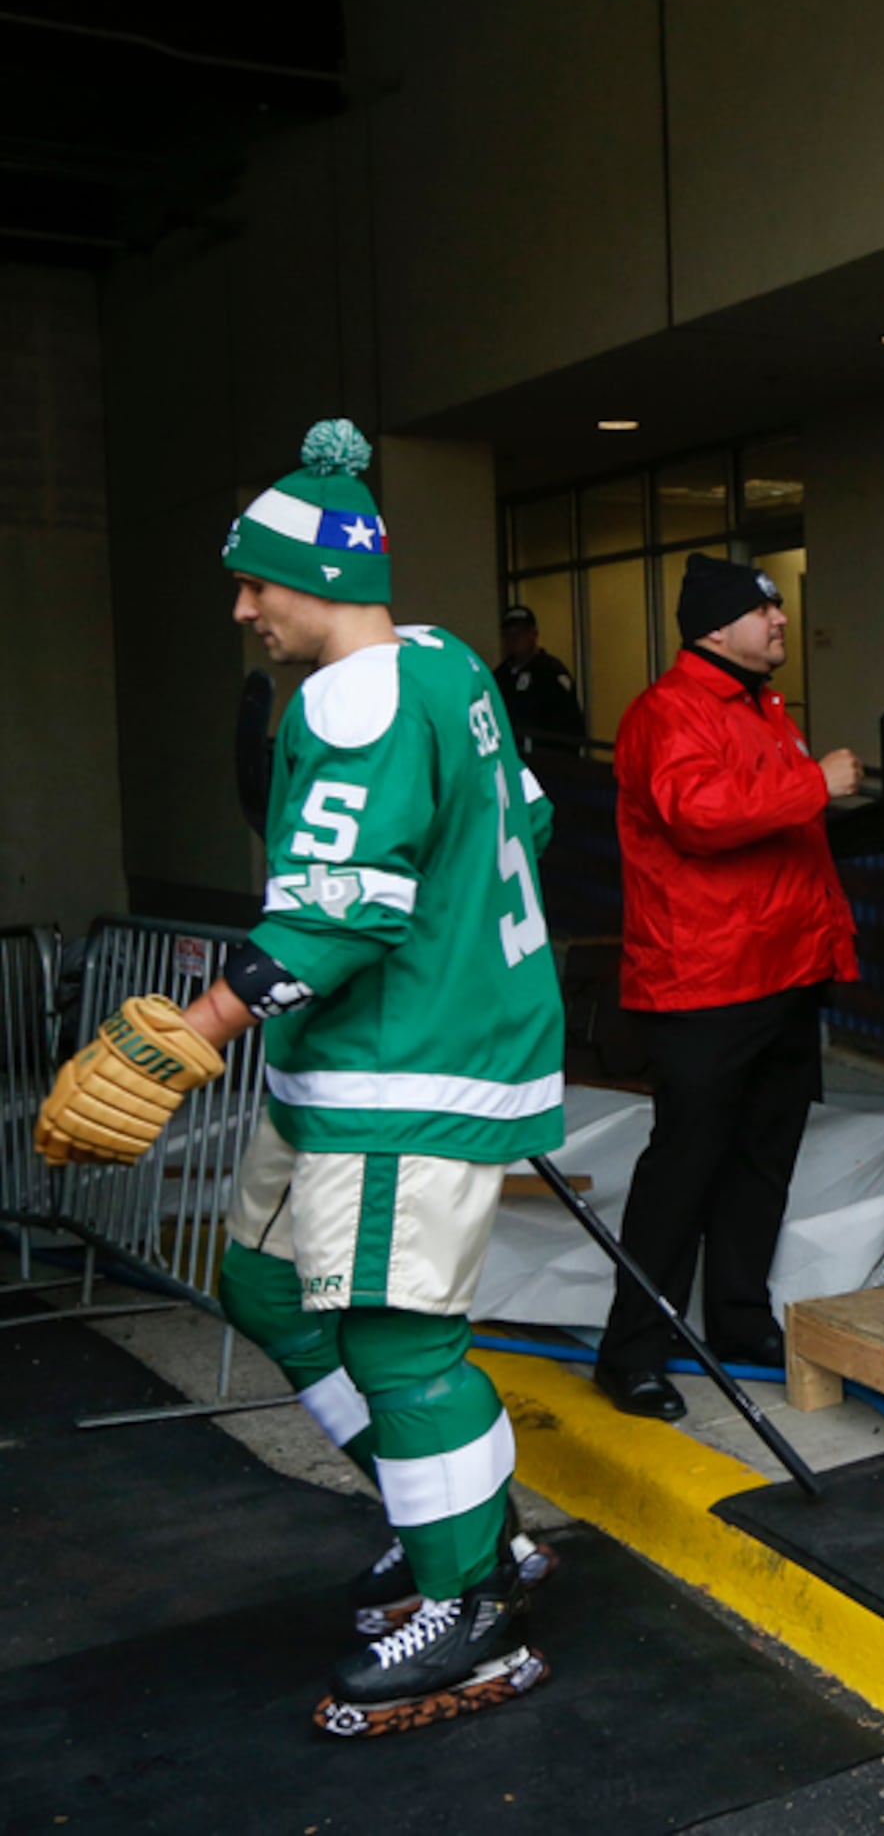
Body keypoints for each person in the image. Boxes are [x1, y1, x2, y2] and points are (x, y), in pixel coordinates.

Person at [38, 418, 565, 1736]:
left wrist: (201, 1025)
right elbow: (533, 814)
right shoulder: (444, 661)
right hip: (364, 1058)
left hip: (406, 1065)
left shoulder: (351, 694)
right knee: (264, 1282)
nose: (240, 608)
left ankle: (470, 1600)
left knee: (398, 1335)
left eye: (254, 583)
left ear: (316, 580)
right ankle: (449, 1516)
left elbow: (338, 918)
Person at [594, 552, 859, 1418]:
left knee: (760, 1161)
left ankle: (737, 1321)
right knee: (683, 1172)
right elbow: (699, 816)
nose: (781, 620)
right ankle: (633, 1350)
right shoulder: (668, 712)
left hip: (778, 973)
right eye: (763, 609)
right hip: (706, 982)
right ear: (715, 628)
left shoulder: (759, 708)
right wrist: (812, 783)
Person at [494, 602, 584, 754]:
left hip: (546, 763)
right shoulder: (500, 676)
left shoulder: (551, 673)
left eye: (519, 633)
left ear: (534, 635)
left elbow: (570, 727)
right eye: (508, 634)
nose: (513, 639)